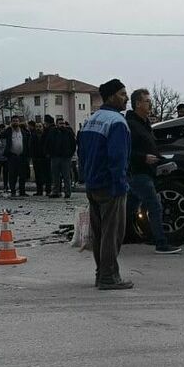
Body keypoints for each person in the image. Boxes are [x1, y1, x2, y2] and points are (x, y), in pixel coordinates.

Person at [79, 78, 134, 290]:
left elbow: (82, 154)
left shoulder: (92, 120)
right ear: (111, 96)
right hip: (111, 186)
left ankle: (100, 273)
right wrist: (121, 184)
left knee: (100, 233)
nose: (126, 98)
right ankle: (109, 277)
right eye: (122, 94)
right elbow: (118, 158)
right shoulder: (117, 122)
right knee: (113, 233)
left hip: (93, 184)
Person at [126, 89, 182, 254]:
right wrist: (143, 158)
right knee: (154, 206)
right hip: (137, 172)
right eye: (147, 101)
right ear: (138, 104)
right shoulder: (130, 125)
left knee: (128, 209)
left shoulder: (145, 123)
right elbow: (126, 150)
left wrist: (164, 160)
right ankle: (161, 243)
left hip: (147, 171)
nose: (150, 104)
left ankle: (109, 235)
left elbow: (151, 147)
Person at [44, 114, 76, 198]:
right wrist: (49, 153)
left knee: (66, 176)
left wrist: (70, 154)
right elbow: (47, 143)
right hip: (55, 157)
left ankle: (67, 192)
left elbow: (73, 144)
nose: (62, 125)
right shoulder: (52, 132)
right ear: (57, 124)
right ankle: (56, 191)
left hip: (66, 157)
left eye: (63, 123)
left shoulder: (68, 132)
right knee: (55, 176)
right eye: (60, 123)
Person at [1, 115, 28, 197]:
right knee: (12, 175)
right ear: (11, 122)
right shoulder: (9, 131)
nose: (15, 122)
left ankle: (22, 191)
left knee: (22, 175)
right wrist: (9, 128)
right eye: (14, 121)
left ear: (19, 122)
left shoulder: (23, 131)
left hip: (22, 156)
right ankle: (13, 191)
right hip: (12, 156)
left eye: (17, 121)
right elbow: (1, 135)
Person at [29, 118, 51, 196]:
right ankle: (39, 191)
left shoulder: (46, 135)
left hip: (45, 158)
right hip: (36, 158)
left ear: (43, 127)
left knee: (47, 175)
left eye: (40, 126)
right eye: (37, 126)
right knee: (38, 176)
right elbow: (31, 147)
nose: (38, 128)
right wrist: (32, 157)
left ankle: (48, 191)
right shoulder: (33, 136)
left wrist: (48, 154)